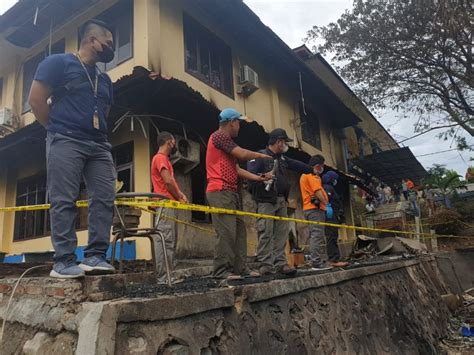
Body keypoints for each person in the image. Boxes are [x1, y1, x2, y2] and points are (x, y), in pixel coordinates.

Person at [29, 19, 116, 278]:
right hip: (65, 139)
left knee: (104, 198)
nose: (111, 48)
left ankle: (95, 257)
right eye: (108, 43)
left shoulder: (105, 79)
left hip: (99, 144)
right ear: (92, 40)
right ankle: (64, 261)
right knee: (63, 199)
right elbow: (35, 100)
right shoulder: (58, 63)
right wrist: (55, 128)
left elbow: (105, 110)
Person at [206, 108, 272, 280]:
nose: (239, 127)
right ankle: (221, 271)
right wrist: (262, 156)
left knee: (239, 232)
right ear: (232, 122)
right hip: (220, 190)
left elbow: (236, 169)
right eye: (239, 123)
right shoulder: (219, 136)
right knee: (226, 233)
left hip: (231, 192)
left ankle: (240, 268)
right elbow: (242, 154)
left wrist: (258, 178)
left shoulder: (226, 144)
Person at [247, 128, 312, 275]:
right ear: (279, 142)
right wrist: (263, 179)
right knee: (266, 232)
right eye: (283, 142)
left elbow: (297, 164)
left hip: (281, 200)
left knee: (281, 233)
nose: (284, 145)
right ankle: (265, 265)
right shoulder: (260, 156)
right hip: (265, 201)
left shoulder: (282, 158)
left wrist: (311, 169)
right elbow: (250, 177)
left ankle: (281, 264)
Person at [151, 132, 189, 282]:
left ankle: (167, 276)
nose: (174, 144)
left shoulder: (163, 159)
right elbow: (167, 181)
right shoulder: (160, 158)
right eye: (173, 141)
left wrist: (179, 195)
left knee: (167, 240)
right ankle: (164, 278)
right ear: (169, 142)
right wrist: (180, 195)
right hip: (165, 204)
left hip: (167, 204)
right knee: (165, 240)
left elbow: (169, 182)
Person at [300, 154, 332, 270]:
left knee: (316, 235)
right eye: (322, 166)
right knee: (317, 235)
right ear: (317, 166)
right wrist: (327, 204)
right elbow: (318, 192)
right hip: (314, 209)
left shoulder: (308, 176)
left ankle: (315, 259)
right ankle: (316, 262)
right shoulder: (311, 175)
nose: (322, 169)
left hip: (313, 209)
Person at [322, 171, 349, 267]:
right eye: (335, 179)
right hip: (330, 216)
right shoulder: (327, 188)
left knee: (332, 237)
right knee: (332, 237)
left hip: (332, 215)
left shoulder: (329, 188)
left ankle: (334, 258)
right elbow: (328, 201)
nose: (336, 181)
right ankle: (333, 259)